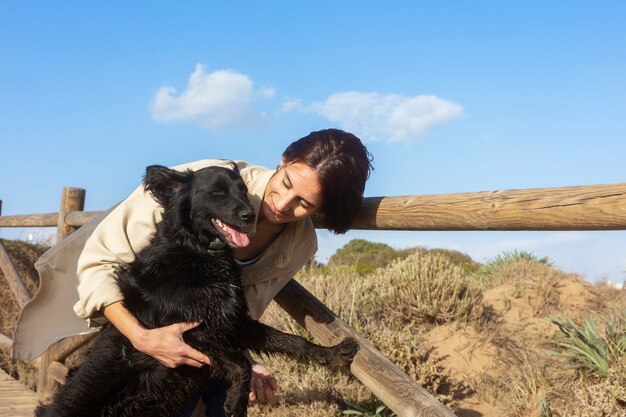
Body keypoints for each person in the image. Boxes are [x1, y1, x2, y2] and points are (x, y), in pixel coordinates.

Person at [68, 128, 373, 416]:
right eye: (287, 184)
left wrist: (253, 363)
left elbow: (238, 319)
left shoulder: (299, 244)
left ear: (320, 209)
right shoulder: (201, 183)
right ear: (283, 161)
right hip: (127, 332)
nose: (282, 204)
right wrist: (142, 337)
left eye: (304, 203)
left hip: (196, 358)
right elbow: (100, 263)